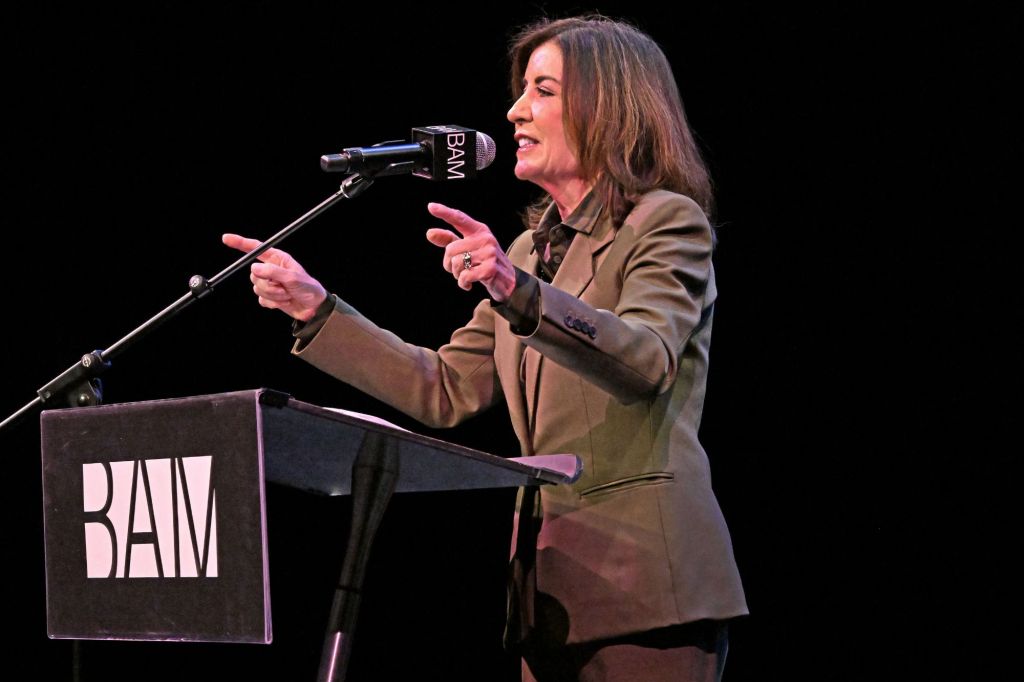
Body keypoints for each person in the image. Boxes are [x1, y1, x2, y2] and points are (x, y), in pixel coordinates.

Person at [224, 14, 747, 682]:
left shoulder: (666, 222)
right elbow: (445, 389)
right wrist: (317, 309)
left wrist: (515, 289)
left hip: (650, 585)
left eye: (543, 91)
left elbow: (646, 360)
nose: (514, 111)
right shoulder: (530, 251)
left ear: (608, 107)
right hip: (547, 594)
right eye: (521, 90)